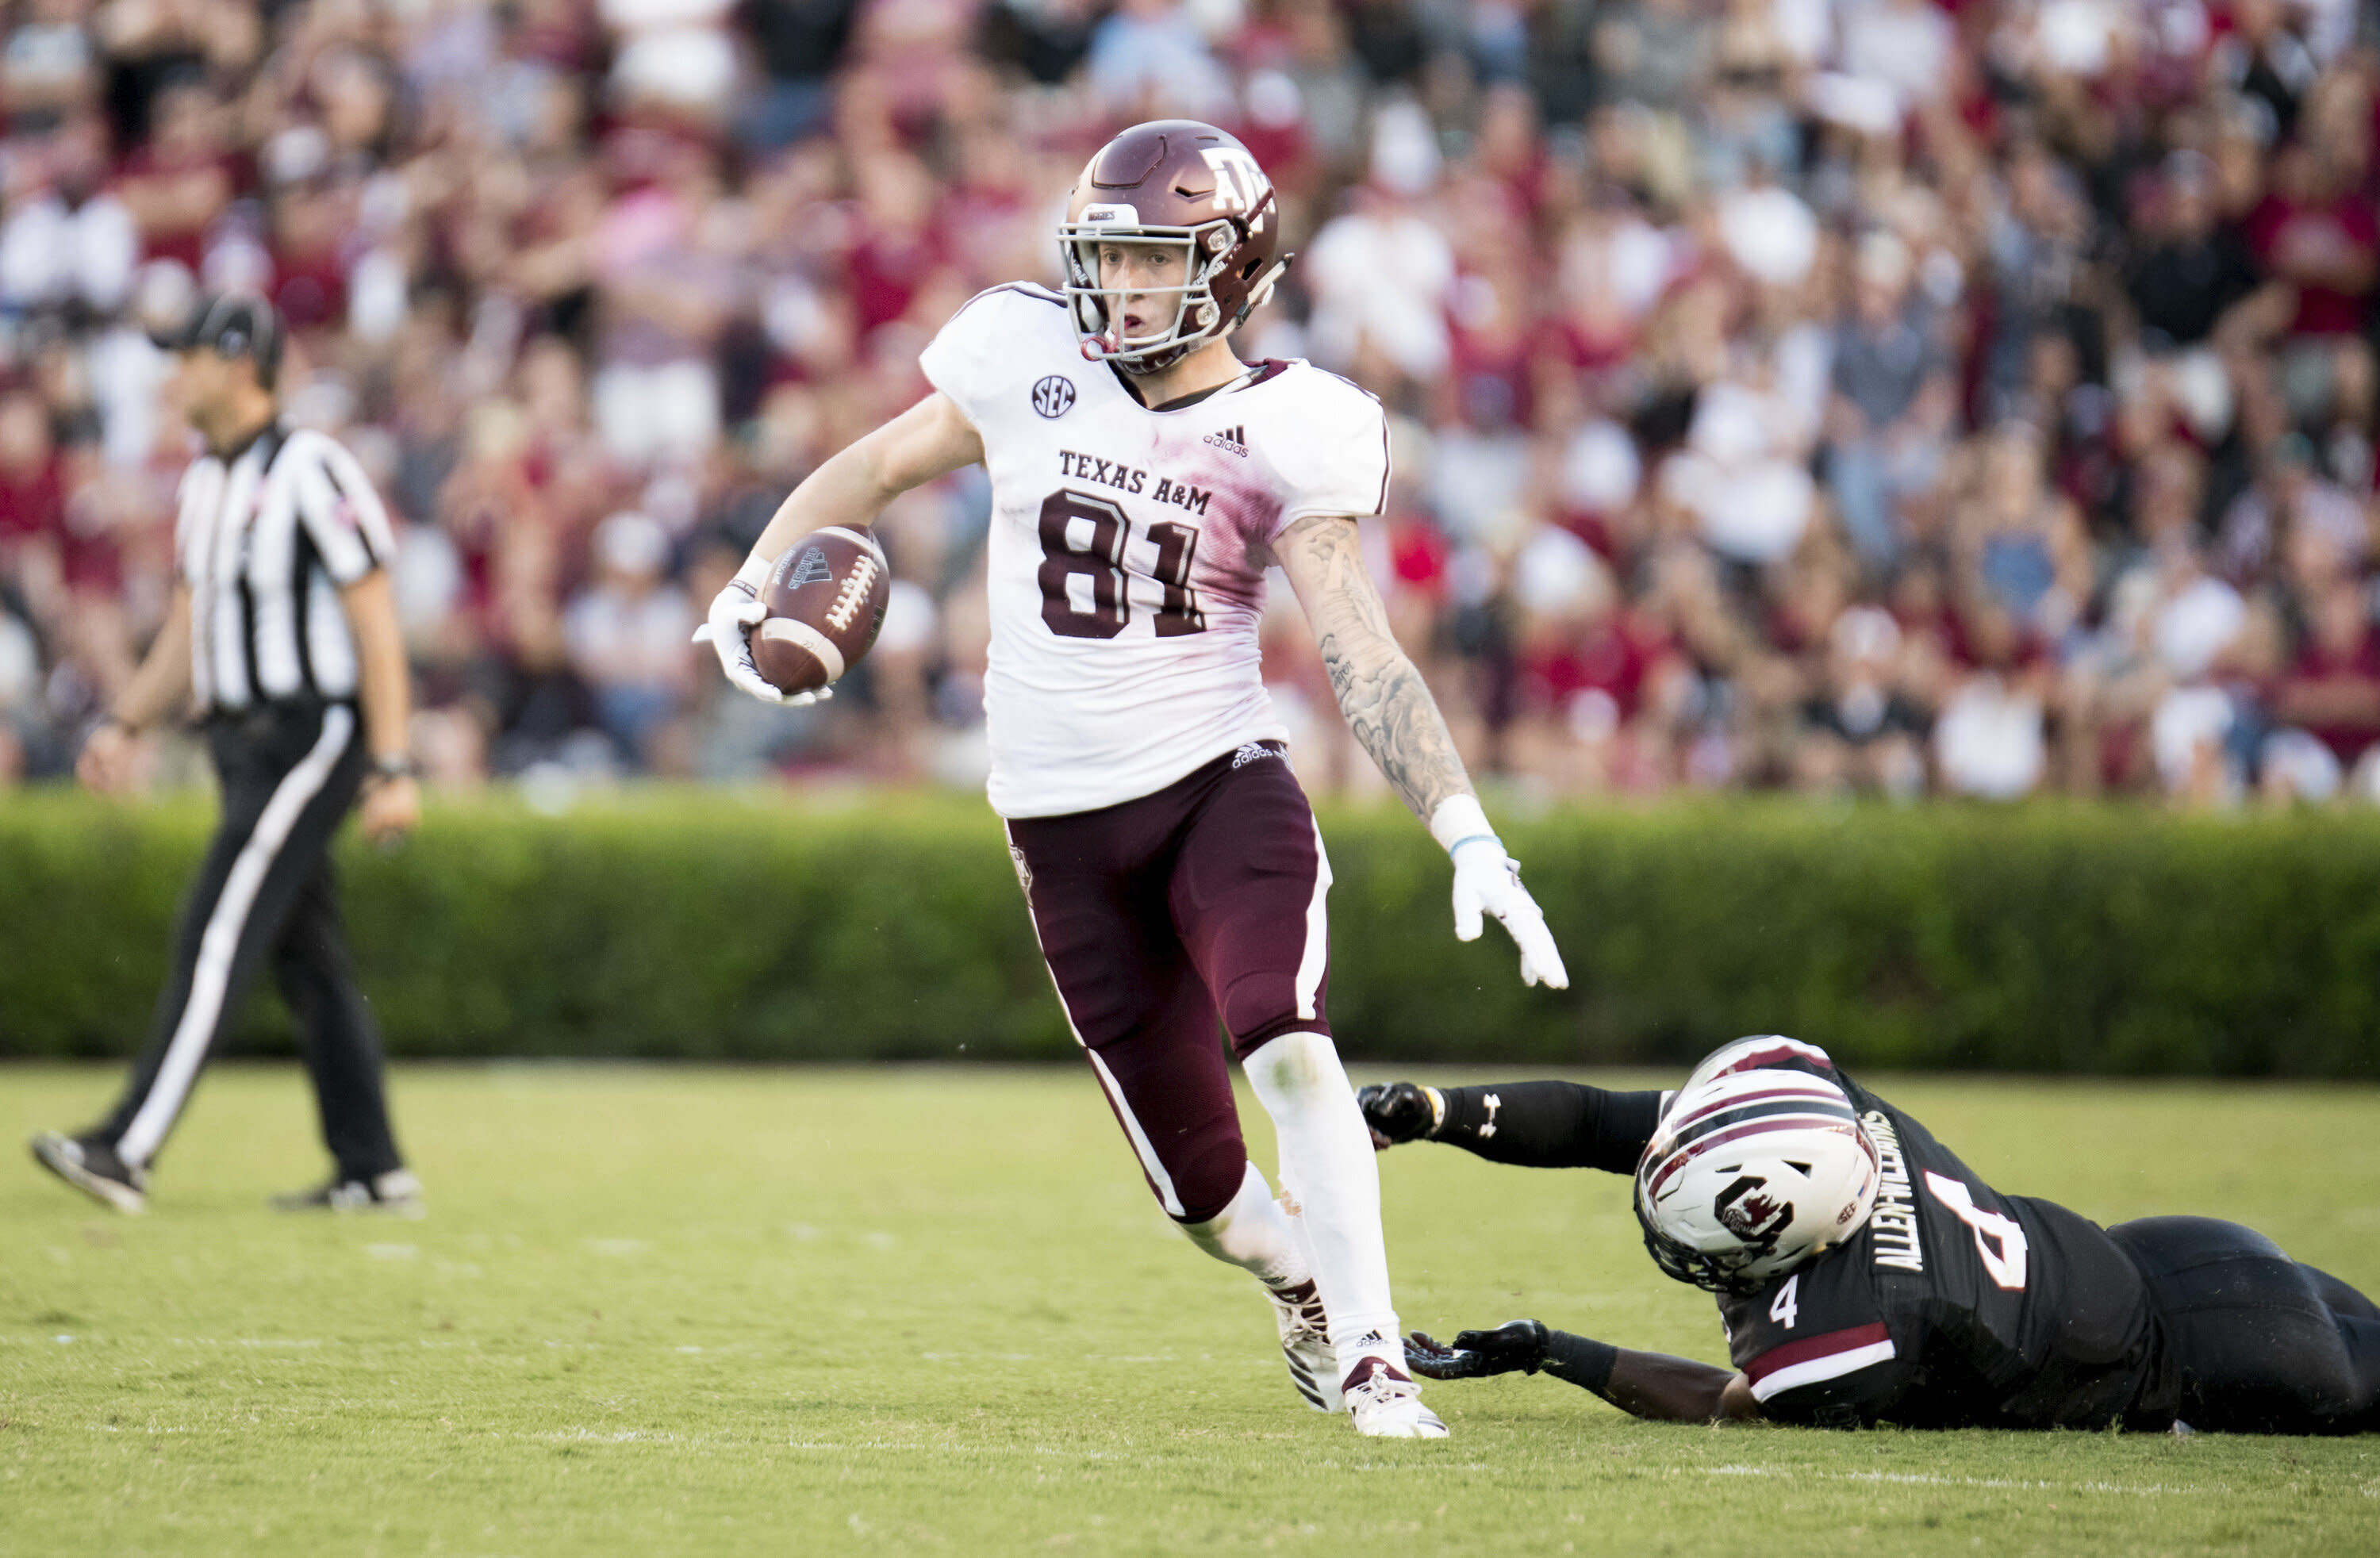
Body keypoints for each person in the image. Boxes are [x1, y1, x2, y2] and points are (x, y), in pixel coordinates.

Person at [698, 120, 1568, 1437]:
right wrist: (757, 579)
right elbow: (872, 469)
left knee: (1286, 1037)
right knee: (1207, 1199)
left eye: (1151, 260)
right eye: (1103, 254)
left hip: (1219, 785)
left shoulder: (1291, 424)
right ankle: (1299, 1279)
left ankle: (1378, 1358)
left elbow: (1359, 650)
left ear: (1228, 271)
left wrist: (1470, 833)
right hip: (1055, 828)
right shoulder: (1024, 351)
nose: (1117, 285)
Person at [1363, 1035, 2380, 1434]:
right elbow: (1595, 1122)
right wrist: (1440, 1111)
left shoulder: (1857, 1326)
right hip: (2166, 1253)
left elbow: (1734, 1403)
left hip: (2226, 1362)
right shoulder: (1822, 1115)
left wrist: (1558, 1352)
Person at [30, 294, 425, 1217]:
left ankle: (127, 1144)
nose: (172, 375)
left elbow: (376, 623)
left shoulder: (312, 467)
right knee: (308, 956)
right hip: (238, 743)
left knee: (215, 928)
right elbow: (189, 624)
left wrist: (394, 764)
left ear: (239, 360)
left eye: (187, 355)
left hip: (310, 730)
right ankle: (372, 1165)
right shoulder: (205, 482)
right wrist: (126, 720)